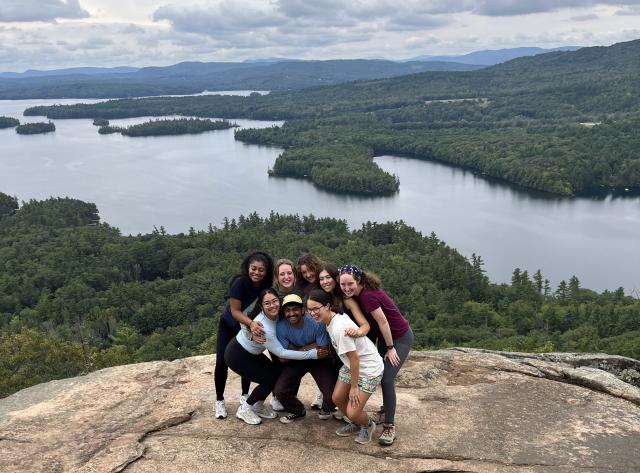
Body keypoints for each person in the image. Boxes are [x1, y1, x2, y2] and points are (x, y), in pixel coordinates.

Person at [225, 288, 326, 425]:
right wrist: (312, 354)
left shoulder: (279, 314)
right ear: (261, 306)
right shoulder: (263, 327)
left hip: (252, 353)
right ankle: (244, 408)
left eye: (274, 301)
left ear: (279, 301)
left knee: (275, 375)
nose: (272, 305)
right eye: (267, 303)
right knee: (269, 380)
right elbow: (281, 353)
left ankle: (258, 405)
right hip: (238, 355)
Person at [339, 264, 414, 446]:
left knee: (387, 379)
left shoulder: (367, 296)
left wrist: (390, 347)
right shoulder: (361, 293)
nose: (347, 288)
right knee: (380, 375)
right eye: (343, 284)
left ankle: (389, 425)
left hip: (399, 338)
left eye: (350, 284)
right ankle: (384, 411)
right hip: (386, 339)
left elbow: (383, 322)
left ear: (359, 281)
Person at [306, 289, 383, 445]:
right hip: (352, 365)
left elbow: (355, 360)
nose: (312, 313)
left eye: (316, 308)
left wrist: (354, 387)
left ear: (327, 306)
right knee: (337, 398)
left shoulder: (338, 328)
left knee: (352, 412)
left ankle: (368, 425)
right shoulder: (331, 319)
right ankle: (356, 423)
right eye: (309, 310)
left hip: (368, 369)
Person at [213, 252, 273, 420]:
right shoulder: (240, 283)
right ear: (247, 268)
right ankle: (219, 400)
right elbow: (235, 311)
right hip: (230, 325)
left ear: (266, 271)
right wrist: (251, 324)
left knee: (246, 359)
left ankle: (245, 395)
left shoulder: (265, 285)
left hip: (246, 327)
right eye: (253, 268)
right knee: (221, 362)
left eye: (261, 270)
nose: (257, 272)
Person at [274, 294, 337, 423]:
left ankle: (326, 407)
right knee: (280, 391)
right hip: (295, 362)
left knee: (332, 396)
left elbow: (323, 350)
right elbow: (283, 358)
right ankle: (298, 410)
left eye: (295, 309)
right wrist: (310, 347)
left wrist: (294, 349)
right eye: (287, 310)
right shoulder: (281, 326)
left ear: (303, 310)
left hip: (317, 361)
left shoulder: (315, 322)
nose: (291, 313)